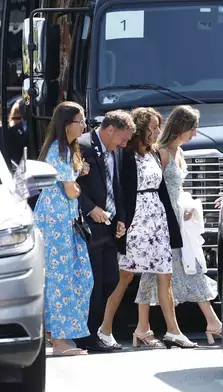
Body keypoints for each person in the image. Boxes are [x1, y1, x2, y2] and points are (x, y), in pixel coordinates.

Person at [97, 107, 189, 348]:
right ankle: (104, 329)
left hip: (157, 221)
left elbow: (162, 192)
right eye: (153, 127)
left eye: (158, 126)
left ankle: (174, 331)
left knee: (165, 275)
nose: (158, 131)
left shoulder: (155, 154)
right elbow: (120, 190)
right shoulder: (126, 155)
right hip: (135, 222)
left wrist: (171, 226)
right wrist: (122, 222)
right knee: (125, 277)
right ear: (140, 129)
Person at [139, 105, 222, 345]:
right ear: (182, 128)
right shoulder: (162, 152)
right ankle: (211, 322)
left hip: (180, 218)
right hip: (164, 220)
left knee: (181, 267)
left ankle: (143, 328)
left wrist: (187, 209)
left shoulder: (178, 152)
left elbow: (179, 190)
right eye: (193, 129)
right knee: (163, 269)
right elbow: (154, 188)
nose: (195, 134)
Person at [33, 101, 93, 356]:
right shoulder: (61, 151)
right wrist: (76, 184)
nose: (84, 125)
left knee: (70, 275)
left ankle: (57, 334)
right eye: (80, 121)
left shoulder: (62, 150)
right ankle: (59, 340)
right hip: (56, 220)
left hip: (59, 219)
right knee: (62, 278)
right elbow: (71, 190)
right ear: (67, 124)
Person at [74, 110, 134, 352]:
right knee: (94, 283)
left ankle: (93, 332)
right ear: (110, 129)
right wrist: (90, 209)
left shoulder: (116, 151)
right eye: (123, 138)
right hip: (89, 225)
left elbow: (116, 186)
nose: (125, 143)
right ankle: (86, 335)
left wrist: (121, 218)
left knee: (110, 280)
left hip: (110, 224)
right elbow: (70, 183)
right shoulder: (83, 145)